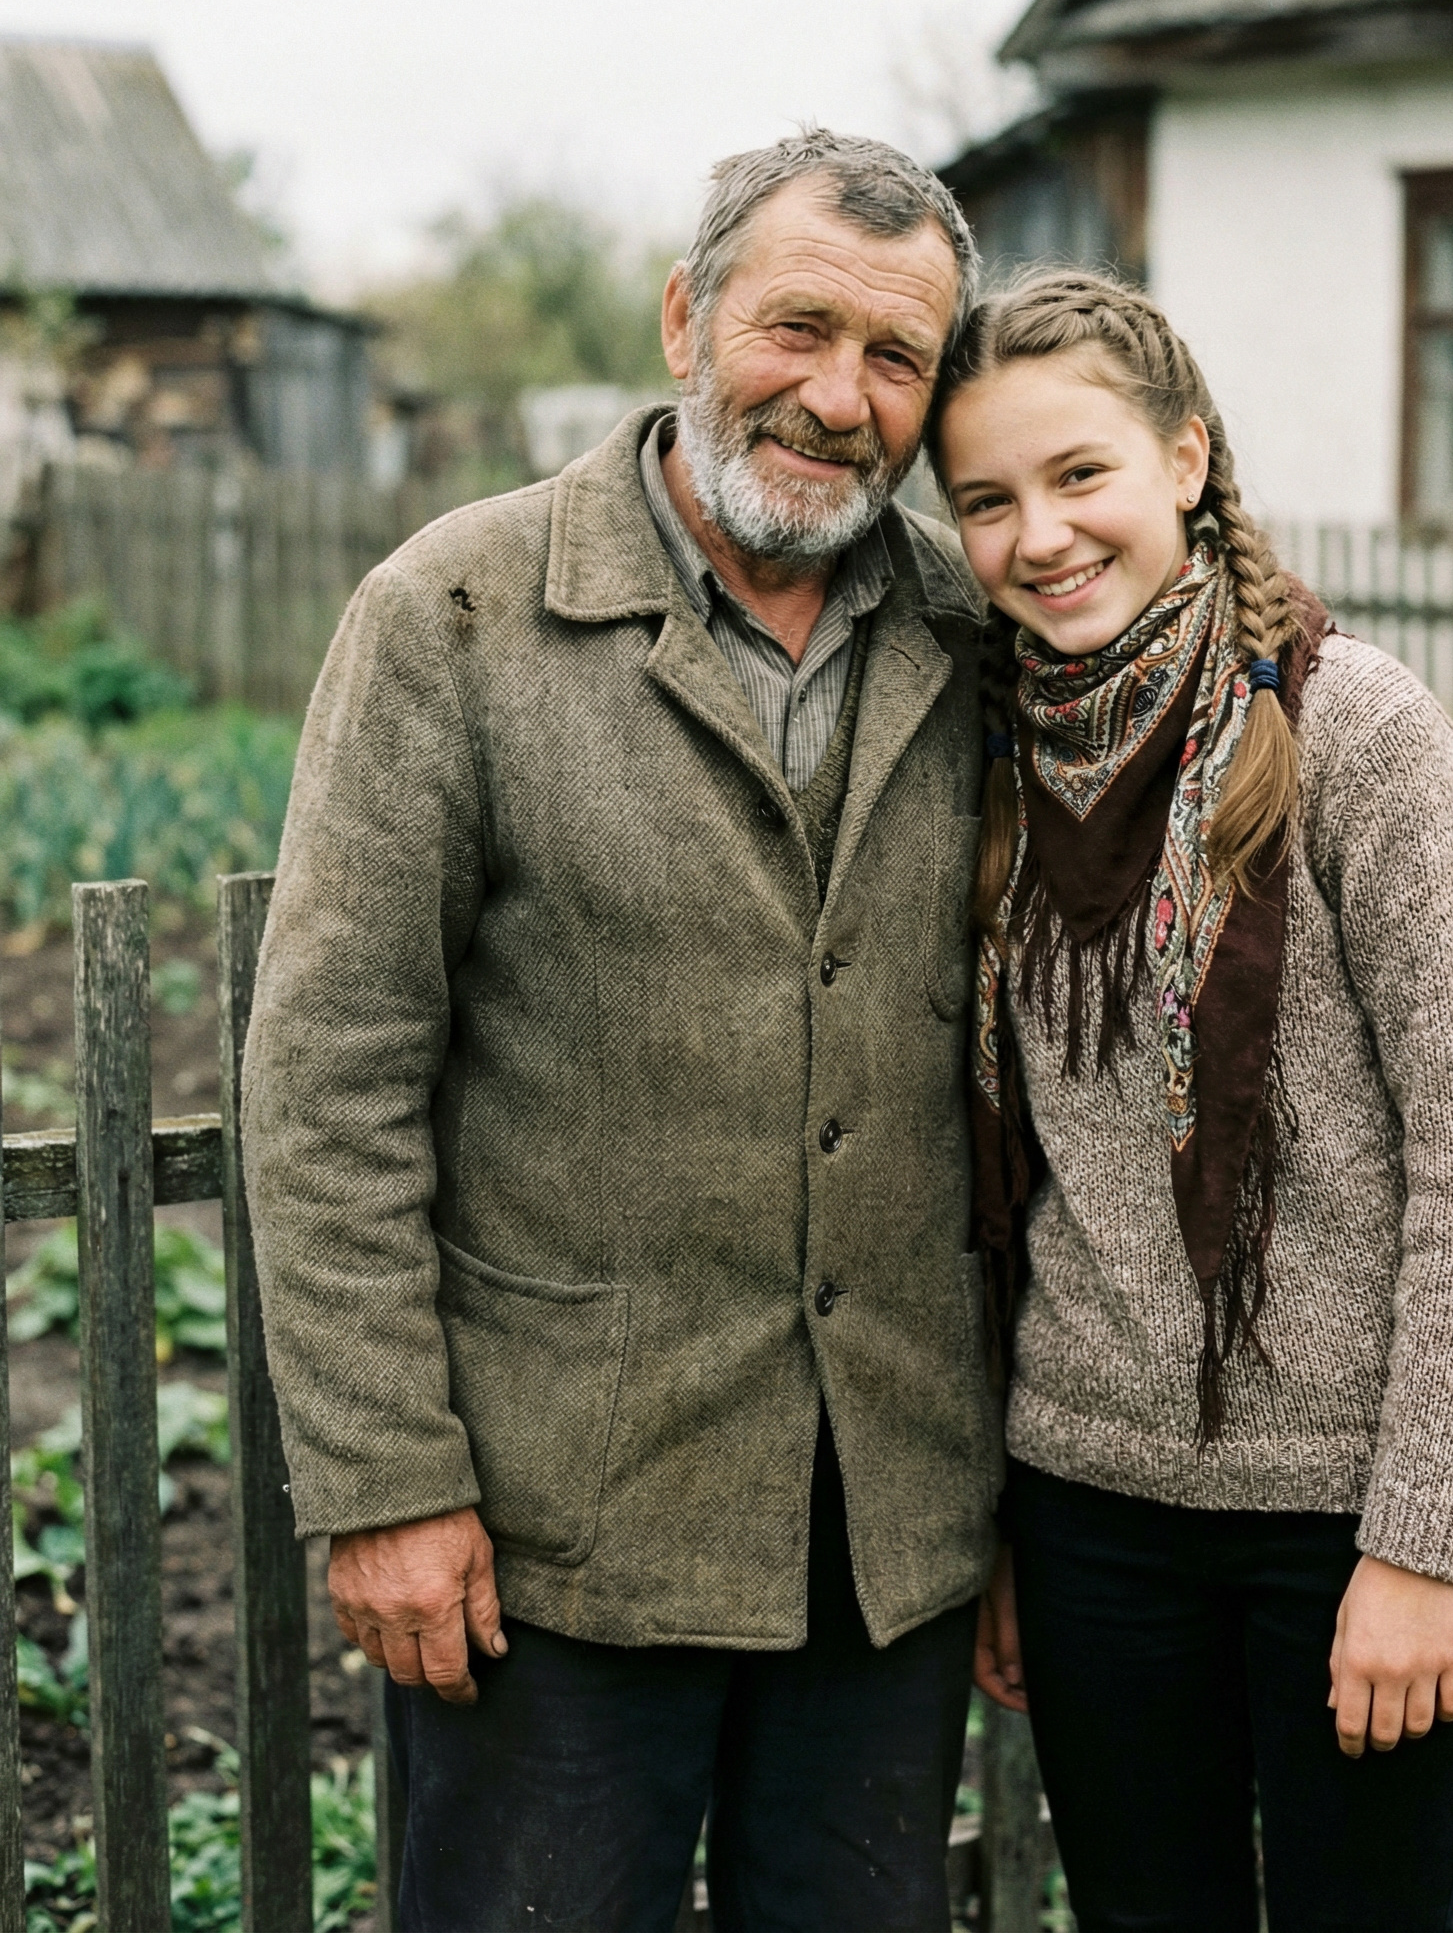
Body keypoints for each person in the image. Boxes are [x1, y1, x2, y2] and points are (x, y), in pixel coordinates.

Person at [241, 129, 1003, 1933]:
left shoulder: (973, 637)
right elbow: (330, 1078)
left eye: (896, 358)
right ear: (686, 315)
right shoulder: (455, 616)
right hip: (552, 1534)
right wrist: (386, 1487)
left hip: (875, 1536)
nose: (838, 397)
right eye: (796, 327)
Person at [930, 269, 1453, 1933]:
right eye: (985, 501)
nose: (1040, 537)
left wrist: (1427, 1547)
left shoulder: (1358, 734)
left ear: (1187, 459)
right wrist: (1011, 1523)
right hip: (1091, 1515)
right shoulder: (987, 754)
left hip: (1349, 1516)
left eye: (1081, 476)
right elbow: (1007, 1190)